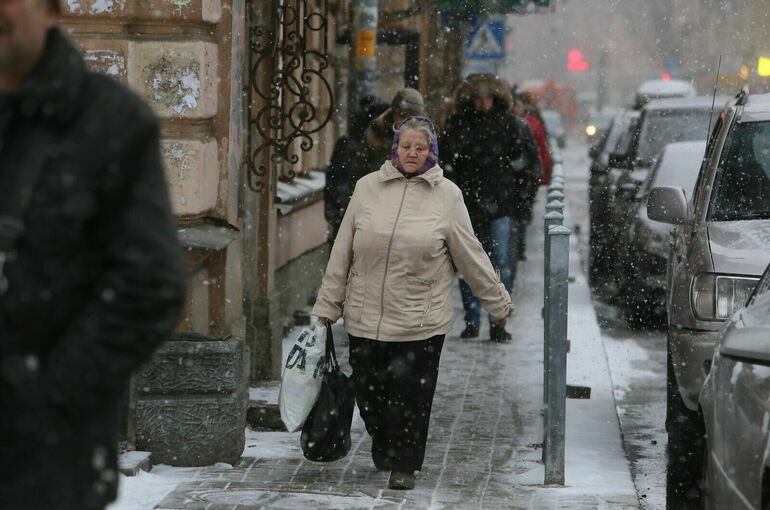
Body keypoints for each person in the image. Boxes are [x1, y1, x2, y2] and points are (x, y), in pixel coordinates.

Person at [0, 1, 187, 508]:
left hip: (43, 468)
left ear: (52, 9)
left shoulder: (109, 122)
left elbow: (150, 286)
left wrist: (43, 395)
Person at [312, 116, 512, 491]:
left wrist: (498, 304)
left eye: (420, 148)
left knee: (411, 398)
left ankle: (404, 463)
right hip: (365, 316)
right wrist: (328, 304)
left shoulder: (447, 196)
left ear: (431, 152)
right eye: (406, 146)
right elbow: (342, 252)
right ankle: (385, 444)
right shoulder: (367, 188)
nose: (412, 154)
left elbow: (470, 254)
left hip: (420, 319)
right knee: (370, 396)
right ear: (395, 148)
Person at [441, 74, 536, 341]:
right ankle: (473, 320)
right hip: (468, 208)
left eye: (487, 98)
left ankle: (498, 321)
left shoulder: (509, 126)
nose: (483, 103)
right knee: (469, 265)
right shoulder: (459, 126)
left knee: (500, 264)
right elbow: (446, 165)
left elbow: (526, 166)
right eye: (478, 98)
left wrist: (521, 203)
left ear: (495, 99)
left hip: (500, 206)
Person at [324, 96, 388, 244]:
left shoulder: (350, 143)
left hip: (353, 218)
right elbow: (338, 179)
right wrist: (340, 208)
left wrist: (337, 210)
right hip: (355, 218)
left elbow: (335, 180)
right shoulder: (355, 146)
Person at [346, 87, 426, 195]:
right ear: (394, 112)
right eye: (401, 115)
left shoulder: (427, 136)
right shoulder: (376, 130)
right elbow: (360, 169)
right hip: (378, 196)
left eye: (410, 117)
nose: (405, 121)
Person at [512, 91, 547, 262]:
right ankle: (517, 248)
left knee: (521, 217)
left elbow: (538, 151)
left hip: (523, 180)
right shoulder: (525, 123)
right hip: (519, 182)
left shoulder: (528, 124)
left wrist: (538, 174)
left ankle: (518, 247)